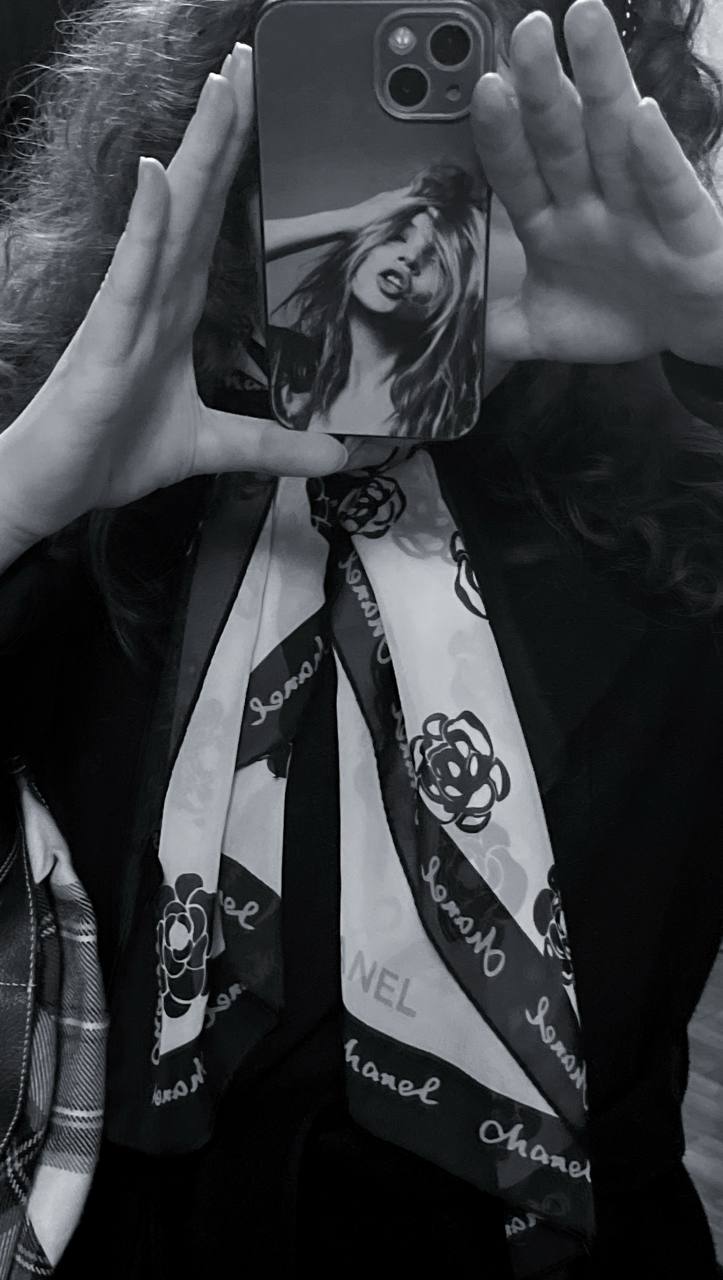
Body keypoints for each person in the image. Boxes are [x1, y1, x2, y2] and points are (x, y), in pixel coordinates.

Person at [0, 1, 722, 1278]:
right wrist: (17, 501)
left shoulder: (684, 525)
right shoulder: (74, 500)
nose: (414, 222)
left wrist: (716, 363)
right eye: (354, 136)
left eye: (482, 138)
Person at [264, 164, 488, 438]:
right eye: (397, 237)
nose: (410, 257)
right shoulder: (281, 363)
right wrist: (346, 219)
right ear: (360, 248)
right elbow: (228, 254)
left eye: (438, 259)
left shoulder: (451, 412)